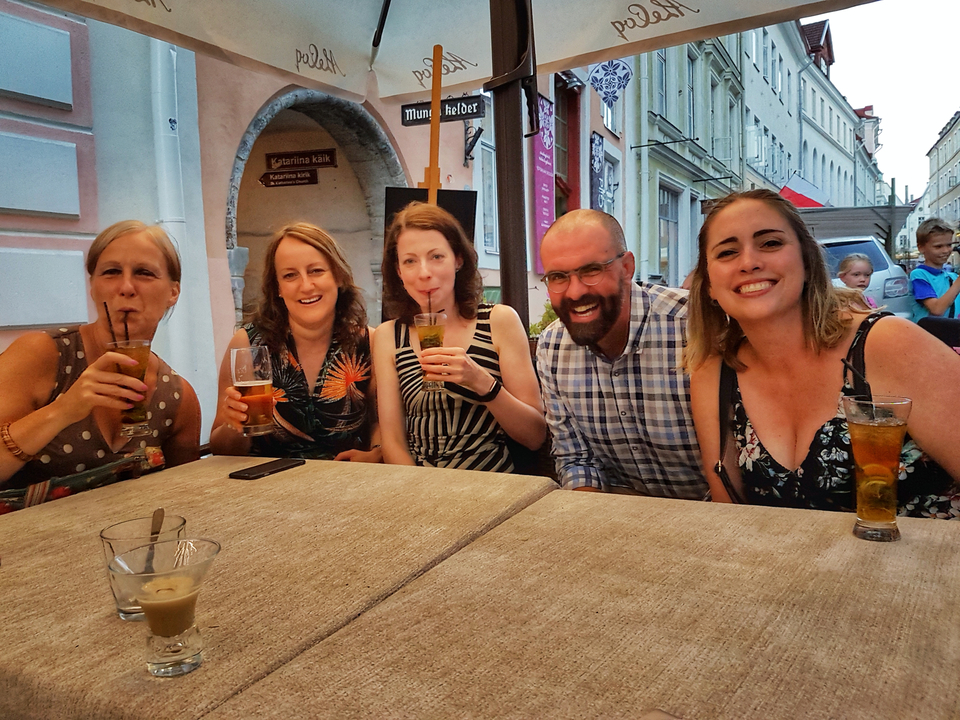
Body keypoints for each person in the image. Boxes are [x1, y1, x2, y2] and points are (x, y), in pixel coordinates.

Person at [686, 190, 960, 515]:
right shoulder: (714, 372)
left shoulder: (885, 343)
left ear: (806, 261)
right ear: (709, 286)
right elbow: (728, 513)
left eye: (771, 243)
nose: (749, 262)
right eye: (728, 252)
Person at [0, 220, 201, 508]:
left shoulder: (178, 398)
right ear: (93, 287)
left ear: (173, 292)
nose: (126, 287)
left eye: (144, 273)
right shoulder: (43, 354)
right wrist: (64, 410)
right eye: (111, 272)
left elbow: (182, 500)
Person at [536, 209, 707, 497]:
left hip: (721, 518)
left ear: (627, 268)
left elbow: (734, 465)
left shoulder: (696, 325)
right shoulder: (552, 346)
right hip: (620, 518)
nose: (575, 292)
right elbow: (577, 461)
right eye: (558, 277)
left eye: (591, 270)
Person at [373, 202, 545, 470]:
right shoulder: (388, 336)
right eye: (410, 261)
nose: (424, 272)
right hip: (418, 487)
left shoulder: (499, 321)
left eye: (436, 256)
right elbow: (392, 441)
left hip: (491, 483)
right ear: (398, 272)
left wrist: (480, 381)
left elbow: (535, 436)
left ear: (458, 260)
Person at [211, 223, 380, 461]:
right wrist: (234, 424)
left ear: (339, 276)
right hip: (267, 485)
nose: (306, 286)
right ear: (277, 288)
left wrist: (376, 453)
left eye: (316, 271)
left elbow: (379, 423)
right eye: (290, 275)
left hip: (347, 483)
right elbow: (222, 449)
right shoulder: (248, 345)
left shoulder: (368, 343)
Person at [910, 218, 960, 322]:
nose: (946, 250)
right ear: (921, 248)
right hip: (929, 335)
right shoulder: (919, 275)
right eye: (938, 246)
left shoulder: (953, 277)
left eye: (949, 245)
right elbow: (937, 309)